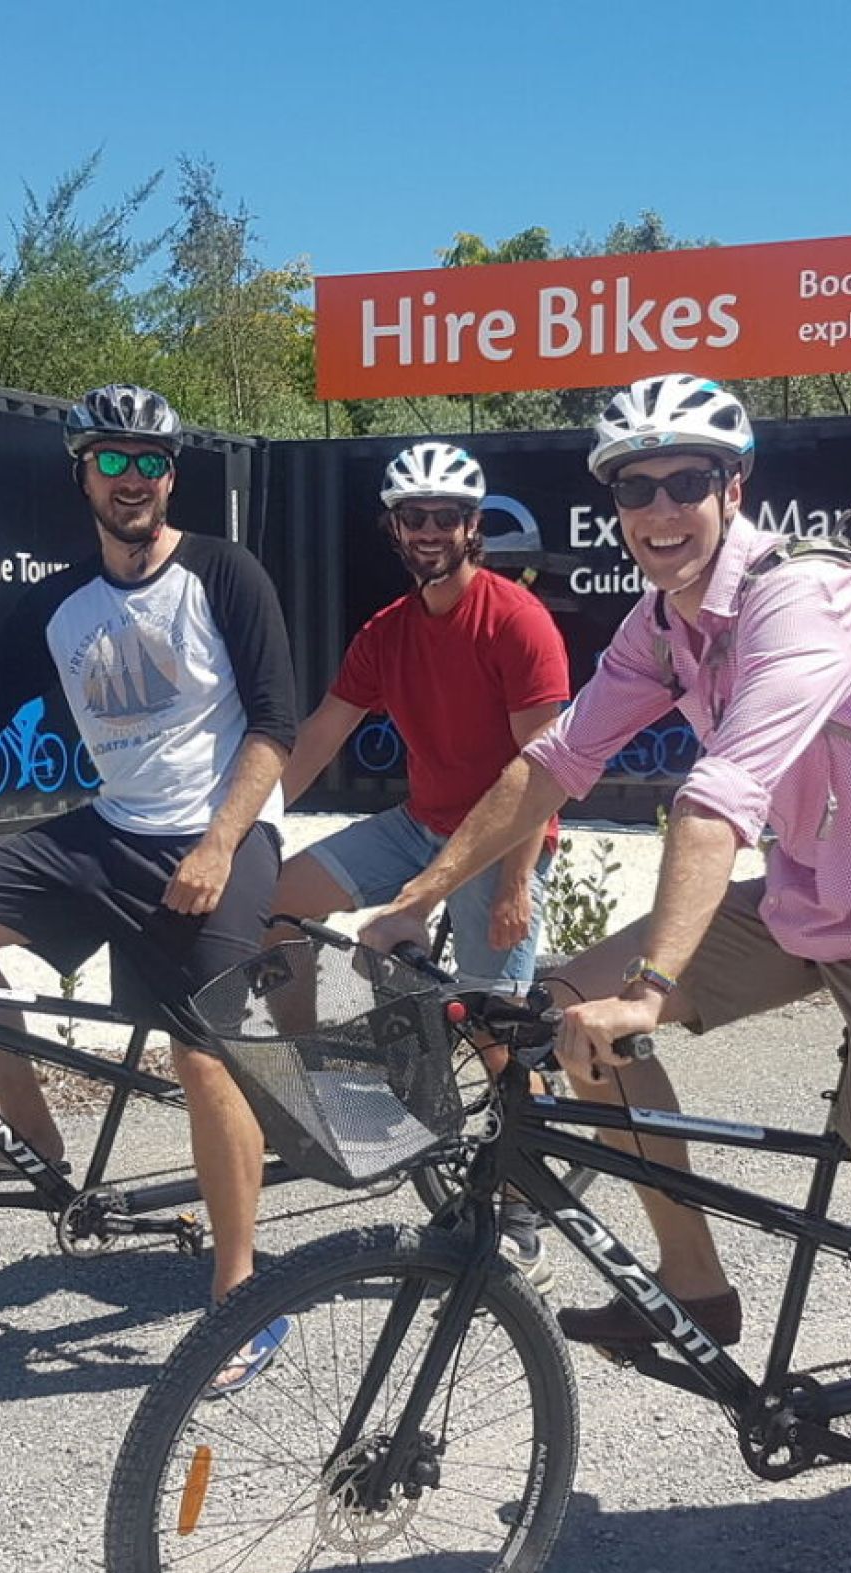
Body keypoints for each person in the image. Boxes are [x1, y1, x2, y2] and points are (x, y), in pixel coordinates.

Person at [362, 373, 851, 1573]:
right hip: (813, 899)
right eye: (632, 488)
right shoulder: (665, 619)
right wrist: (410, 901)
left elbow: (717, 799)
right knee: (555, 1000)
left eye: (683, 482)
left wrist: (656, 981)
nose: (657, 508)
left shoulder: (801, 603)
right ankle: (696, 1278)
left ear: (734, 487)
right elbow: (552, 761)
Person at [0, 383, 296, 1379]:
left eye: (150, 461)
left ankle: (242, 1295)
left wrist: (216, 846)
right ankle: (33, 1141)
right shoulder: (61, 605)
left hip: (223, 835)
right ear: (83, 474)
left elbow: (277, 726)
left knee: (206, 1056)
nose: (133, 478)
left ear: (171, 474)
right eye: (112, 460)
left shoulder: (223, 573)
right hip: (109, 831)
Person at [269, 439, 570, 1283]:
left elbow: (543, 773)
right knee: (274, 901)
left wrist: (514, 884)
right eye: (415, 517)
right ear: (393, 528)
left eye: (446, 516)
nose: (430, 530)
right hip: (416, 825)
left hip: (504, 838)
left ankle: (521, 1215)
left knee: (496, 1025)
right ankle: (308, 1094)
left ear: (474, 526)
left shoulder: (517, 621)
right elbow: (320, 734)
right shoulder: (388, 630)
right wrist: (246, 831)